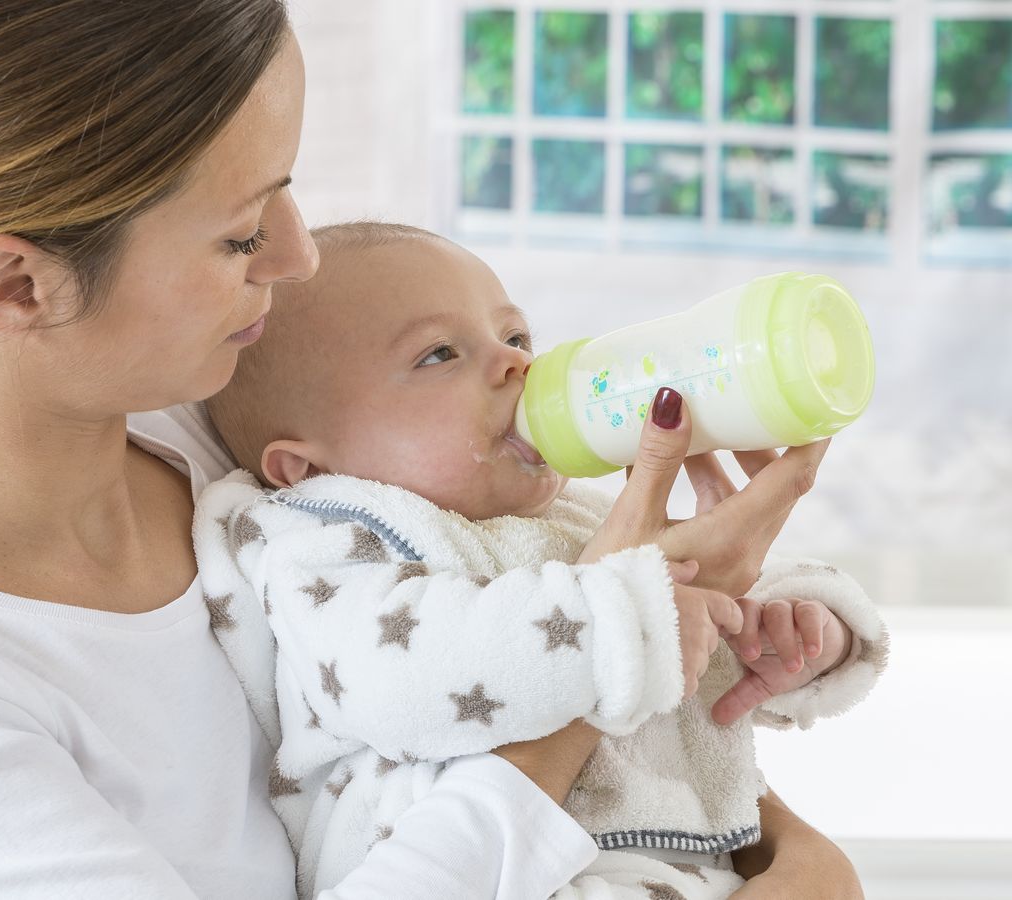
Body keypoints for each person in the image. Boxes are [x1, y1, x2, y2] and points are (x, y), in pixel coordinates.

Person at [0, 1, 863, 897]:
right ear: (16, 287)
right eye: (240, 234)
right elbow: (577, 660)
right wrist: (617, 630)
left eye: (284, 189)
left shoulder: (209, 411)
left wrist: (788, 842)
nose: (300, 253)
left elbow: (556, 645)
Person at [198, 222, 889, 898]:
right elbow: (411, 677)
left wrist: (791, 628)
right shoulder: (329, 542)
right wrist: (625, 610)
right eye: (439, 354)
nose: (517, 364)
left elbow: (686, 620)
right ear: (307, 465)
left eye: (516, 335)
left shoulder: (570, 517)